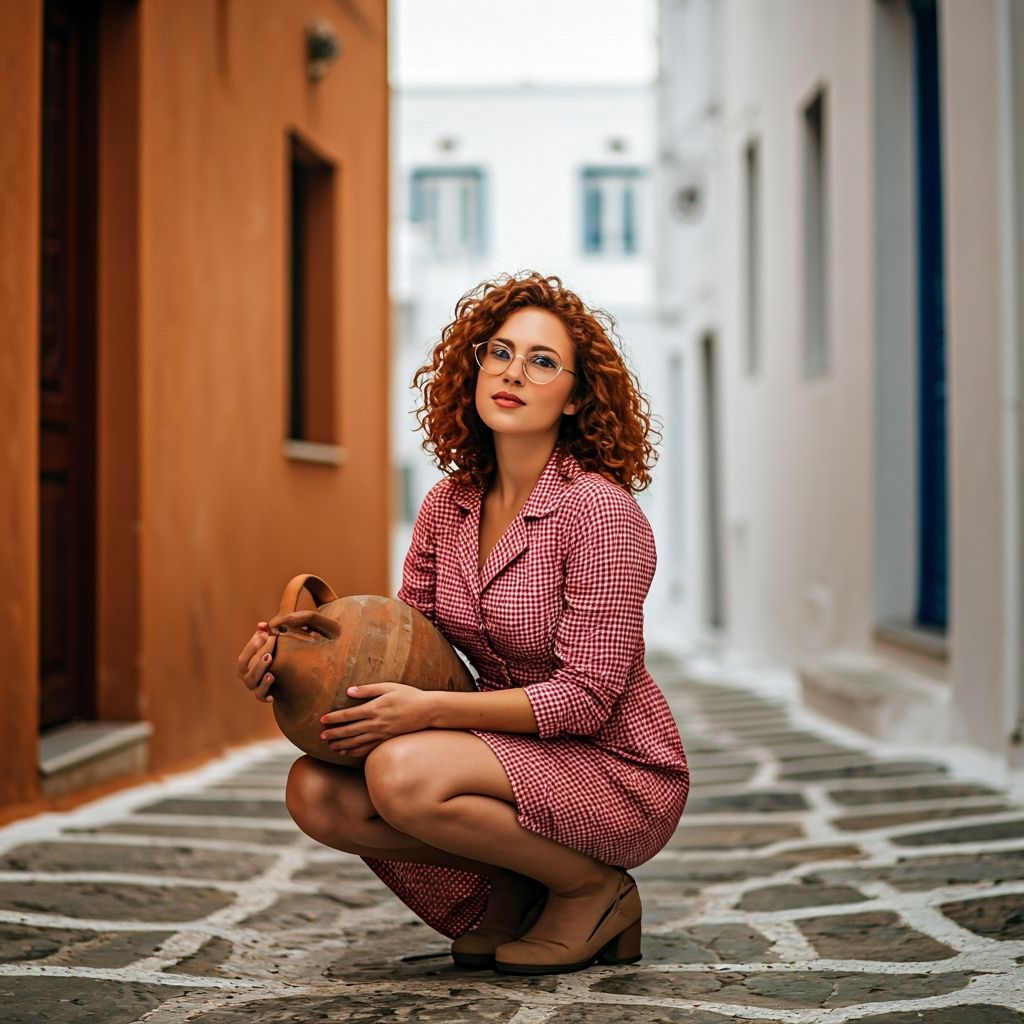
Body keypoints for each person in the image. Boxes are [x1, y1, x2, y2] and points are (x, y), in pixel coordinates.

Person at [237, 272, 689, 975]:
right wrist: (295, 659)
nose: (513, 371)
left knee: (402, 770)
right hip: (496, 751)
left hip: (614, 766)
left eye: (542, 361)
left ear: (574, 398)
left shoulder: (602, 514)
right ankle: (512, 881)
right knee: (316, 792)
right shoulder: (448, 504)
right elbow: (406, 642)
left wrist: (430, 711)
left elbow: (588, 699)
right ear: (472, 371)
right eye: (500, 353)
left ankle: (591, 889)